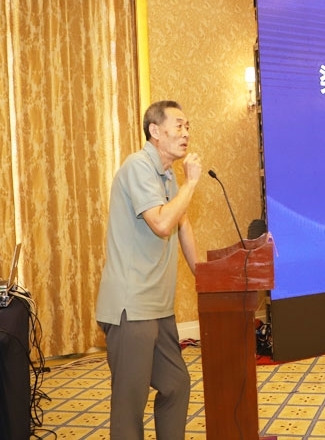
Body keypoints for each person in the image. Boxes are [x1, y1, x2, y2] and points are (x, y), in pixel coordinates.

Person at [96, 100, 202, 440]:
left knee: (175, 384)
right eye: (179, 125)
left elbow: (182, 224)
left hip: (158, 306)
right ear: (155, 131)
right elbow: (161, 223)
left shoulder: (167, 175)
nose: (186, 133)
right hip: (132, 306)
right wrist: (191, 185)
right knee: (130, 403)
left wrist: (205, 276)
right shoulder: (138, 166)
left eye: (188, 127)